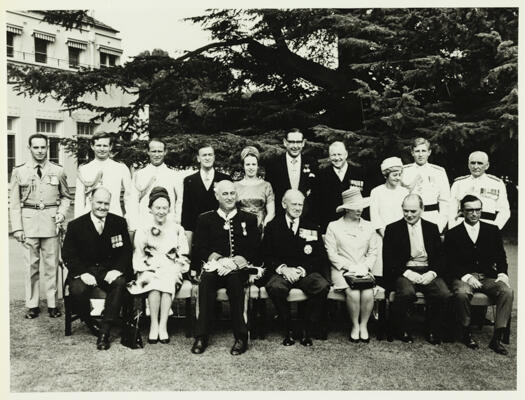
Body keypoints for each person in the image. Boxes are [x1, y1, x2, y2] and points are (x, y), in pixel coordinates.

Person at [190, 180, 260, 356]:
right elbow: (199, 247)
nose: (229, 197)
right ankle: (201, 336)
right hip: (214, 267)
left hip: (237, 269)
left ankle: (241, 336)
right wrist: (219, 260)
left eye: (232, 193)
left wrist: (236, 262)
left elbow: (255, 247)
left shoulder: (249, 219)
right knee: (206, 282)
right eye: (225, 194)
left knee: (235, 282)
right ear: (217, 196)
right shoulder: (205, 218)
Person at [9, 133, 72, 319]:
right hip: (28, 223)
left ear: (48, 148)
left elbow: (66, 197)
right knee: (31, 266)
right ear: (29, 148)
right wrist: (17, 228)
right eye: (35, 147)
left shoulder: (57, 170)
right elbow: (13, 203)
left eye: (43, 147)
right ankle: (32, 304)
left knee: (52, 265)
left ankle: (53, 303)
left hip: (51, 222)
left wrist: (61, 213)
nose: (40, 151)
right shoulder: (20, 171)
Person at [62, 187, 133, 350]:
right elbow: (68, 255)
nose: (102, 207)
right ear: (90, 201)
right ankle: (88, 320)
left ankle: (104, 332)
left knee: (120, 283)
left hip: (108, 271)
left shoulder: (118, 222)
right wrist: (82, 273)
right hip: (84, 270)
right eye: (99, 202)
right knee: (78, 290)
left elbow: (126, 251)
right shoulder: (75, 225)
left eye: (106, 203)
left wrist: (118, 269)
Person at [444, 195, 513, 355]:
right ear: (462, 212)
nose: (474, 213)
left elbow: (501, 256)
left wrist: (502, 274)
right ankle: (466, 332)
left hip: (487, 276)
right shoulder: (453, 233)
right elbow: (449, 262)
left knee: (507, 291)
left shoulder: (492, 230)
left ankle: (497, 336)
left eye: (477, 210)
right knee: (462, 293)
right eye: (469, 210)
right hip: (463, 277)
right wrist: (467, 277)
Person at [263, 189, 330, 346]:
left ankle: (306, 326)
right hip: (282, 272)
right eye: (294, 204)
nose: (298, 208)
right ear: (284, 204)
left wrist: (301, 270)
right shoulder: (273, 226)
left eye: (301, 204)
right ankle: (288, 327)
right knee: (275, 287)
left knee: (322, 286)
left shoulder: (312, 226)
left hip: (304, 272)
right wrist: (283, 269)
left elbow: (320, 256)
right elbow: (266, 255)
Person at [383, 194, 452, 344]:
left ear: (422, 209)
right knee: (407, 293)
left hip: (427, 269)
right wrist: (408, 273)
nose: (409, 215)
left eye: (413, 211)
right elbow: (389, 260)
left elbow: (441, 257)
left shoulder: (432, 228)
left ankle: (432, 329)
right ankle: (401, 328)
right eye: (405, 211)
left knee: (443, 293)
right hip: (404, 270)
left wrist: (432, 273)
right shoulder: (392, 229)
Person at [129, 187, 190, 344]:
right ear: (150, 209)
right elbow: (139, 253)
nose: (161, 211)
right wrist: (145, 268)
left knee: (168, 279)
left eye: (164, 208)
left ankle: (163, 325)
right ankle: (153, 325)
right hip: (149, 266)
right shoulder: (143, 229)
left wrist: (177, 266)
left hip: (172, 266)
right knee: (154, 282)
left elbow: (183, 252)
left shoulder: (177, 228)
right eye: (157, 208)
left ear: (169, 209)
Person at [324, 188, 379, 342]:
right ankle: (355, 325)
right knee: (353, 292)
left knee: (367, 293)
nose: (359, 210)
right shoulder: (333, 226)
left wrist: (365, 267)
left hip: (363, 269)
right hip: (341, 270)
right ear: (346, 209)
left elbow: (373, 252)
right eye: (355, 207)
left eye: (361, 207)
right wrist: (350, 268)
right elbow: (332, 254)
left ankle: (364, 325)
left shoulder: (369, 226)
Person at [74, 132, 137, 232]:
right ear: (92, 146)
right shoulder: (84, 168)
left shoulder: (120, 168)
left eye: (105, 145)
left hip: (114, 217)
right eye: (98, 145)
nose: (102, 149)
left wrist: (130, 220)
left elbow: (129, 196)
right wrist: (78, 223)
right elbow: (79, 198)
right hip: (89, 219)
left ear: (110, 147)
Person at [181, 145, 230, 247]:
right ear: (198, 158)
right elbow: (186, 211)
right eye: (204, 155)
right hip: (197, 233)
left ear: (214, 157)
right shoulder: (189, 181)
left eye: (210, 155)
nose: (207, 158)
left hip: (220, 232)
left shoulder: (224, 179)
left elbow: (229, 206)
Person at [314, 141, 367, 233]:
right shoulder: (321, 175)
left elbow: (364, 200)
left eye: (339, 154)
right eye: (333, 155)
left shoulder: (359, 173)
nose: (337, 158)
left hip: (354, 226)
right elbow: (318, 204)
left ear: (346, 154)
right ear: (329, 156)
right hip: (330, 226)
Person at [449, 151, 510, 230]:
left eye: (480, 163)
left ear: (487, 165)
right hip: (463, 227)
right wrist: (453, 230)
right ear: (468, 165)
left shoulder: (497, 184)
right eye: (473, 163)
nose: (475, 166)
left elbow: (504, 211)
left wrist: (494, 229)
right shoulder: (458, 183)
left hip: (488, 226)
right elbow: (451, 210)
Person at [401, 138, 450, 233]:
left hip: (432, 217)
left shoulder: (438, 172)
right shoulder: (404, 171)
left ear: (429, 152)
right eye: (417, 151)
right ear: (412, 152)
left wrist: (440, 224)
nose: (420, 154)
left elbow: (445, 201)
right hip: (409, 218)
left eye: (423, 151)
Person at [264, 129, 316, 218]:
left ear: (303, 143)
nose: (295, 146)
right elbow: (269, 195)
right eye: (292, 142)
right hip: (280, 217)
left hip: (306, 217)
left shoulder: (312, 163)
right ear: (285, 142)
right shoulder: (273, 164)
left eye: (298, 142)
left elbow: (315, 193)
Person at [133, 138, 182, 224]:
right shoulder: (139, 174)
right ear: (148, 152)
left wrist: (177, 220)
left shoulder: (175, 175)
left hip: (168, 222)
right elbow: (133, 201)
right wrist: (135, 222)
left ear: (165, 152)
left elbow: (180, 201)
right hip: (144, 222)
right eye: (153, 151)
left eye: (159, 151)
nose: (156, 155)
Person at [234, 145, 275, 230]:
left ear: (258, 166)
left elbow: (271, 212)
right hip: (241, 227)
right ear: (243, 166)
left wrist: (265, 225)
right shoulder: (235, 186)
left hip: (261, 227)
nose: (251, 167)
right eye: (248, 164)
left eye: (253, 164)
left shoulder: (266, 185)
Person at [370, 157, 410, 238]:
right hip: (382, 236)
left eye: (400, 174)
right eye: (394, 175)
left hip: (402, 235)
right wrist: (387, 237)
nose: (398, 178)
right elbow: (375, 218)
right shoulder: (376, 192)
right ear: (386, 176)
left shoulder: (405, 192)